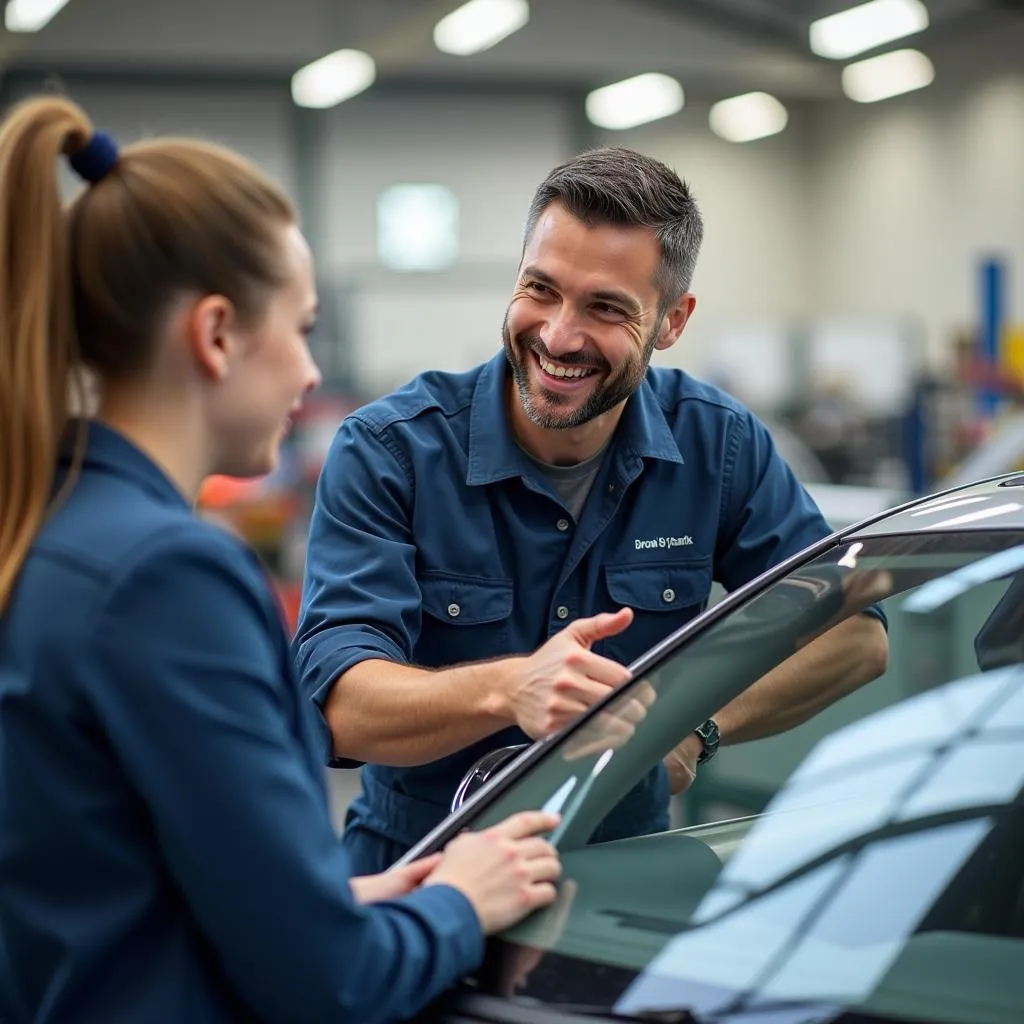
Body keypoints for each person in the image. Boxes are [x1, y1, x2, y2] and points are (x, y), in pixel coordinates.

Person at [0, 95, 564, 1024]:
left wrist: (338, 899)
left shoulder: (46, 530)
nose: (310, 374)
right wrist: (463, 902)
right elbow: (327, 984)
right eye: (300, 329)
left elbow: (108, 883)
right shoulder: (169, 578)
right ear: (216, 333)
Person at [294, 146, 890, 877]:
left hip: (623, 880)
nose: (558, 335)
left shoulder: (719, 447)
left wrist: (693, 726)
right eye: (540, 289)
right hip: (419, 877)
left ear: (672, 321)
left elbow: (856, 635)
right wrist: (508, 689)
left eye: (606, 307)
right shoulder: (391, 451)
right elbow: (341, 703)